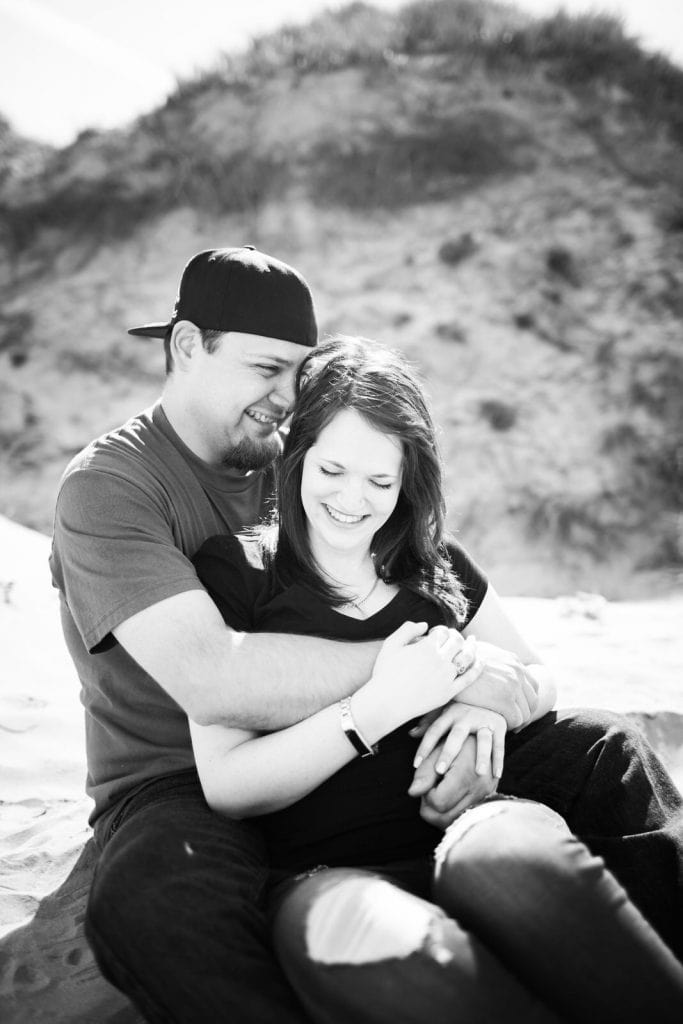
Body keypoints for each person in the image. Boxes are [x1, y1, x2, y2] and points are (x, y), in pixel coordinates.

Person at [48, 245, 683, 1024]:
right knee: (160, 905)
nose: (286, 397)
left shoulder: (302, 449)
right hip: (176, 779)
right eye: (265, 368)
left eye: (298, 373)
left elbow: (457, 603)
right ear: (186, 347)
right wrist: (429, 670)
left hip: (385, 749)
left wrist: (484, 697)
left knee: (596, 748)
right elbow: (215, 679)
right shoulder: (114, 486)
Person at [189, 335, 683, 1022]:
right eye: (331, 469)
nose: (351, 500)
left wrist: (488, 706)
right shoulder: (236, 574)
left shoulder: (434, 565)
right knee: (375, 943)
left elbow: (538, 679)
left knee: (551, 812)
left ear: (407, 480)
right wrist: (373, 709)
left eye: (379, 481)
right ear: (296, 455)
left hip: (474, 829)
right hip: (330, 874)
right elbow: (227, 785)